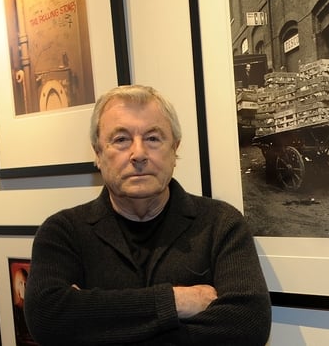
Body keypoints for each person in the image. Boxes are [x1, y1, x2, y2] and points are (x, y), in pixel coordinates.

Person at [24, 85, 271, 345]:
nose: (139, 154)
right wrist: (175, 302)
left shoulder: (222, 224)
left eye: (153, 138)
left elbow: (249, 324)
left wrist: (97, 320)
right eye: (121, 139)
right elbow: (47, 318)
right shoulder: (62, 233)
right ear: (98, 153)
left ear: (175, 149)